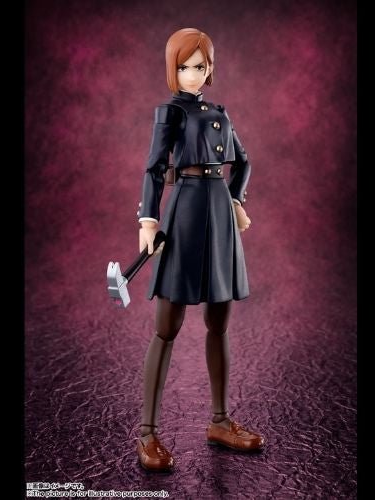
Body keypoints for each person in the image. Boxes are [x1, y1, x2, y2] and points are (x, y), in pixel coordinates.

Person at [135, 28, 265, 471]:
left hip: (220, 214)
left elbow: (243, 161)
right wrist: (148, 220)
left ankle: (220, 421)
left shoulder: (219, 112)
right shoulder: (170, 111)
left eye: (200, 65)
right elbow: (155, 168)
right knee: (167, 325)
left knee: (219, 320)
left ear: (210, 68)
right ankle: (147, 433)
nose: (193, 74)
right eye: (185, 66)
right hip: (187, 210)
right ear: (173, 69)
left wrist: (236, 200)